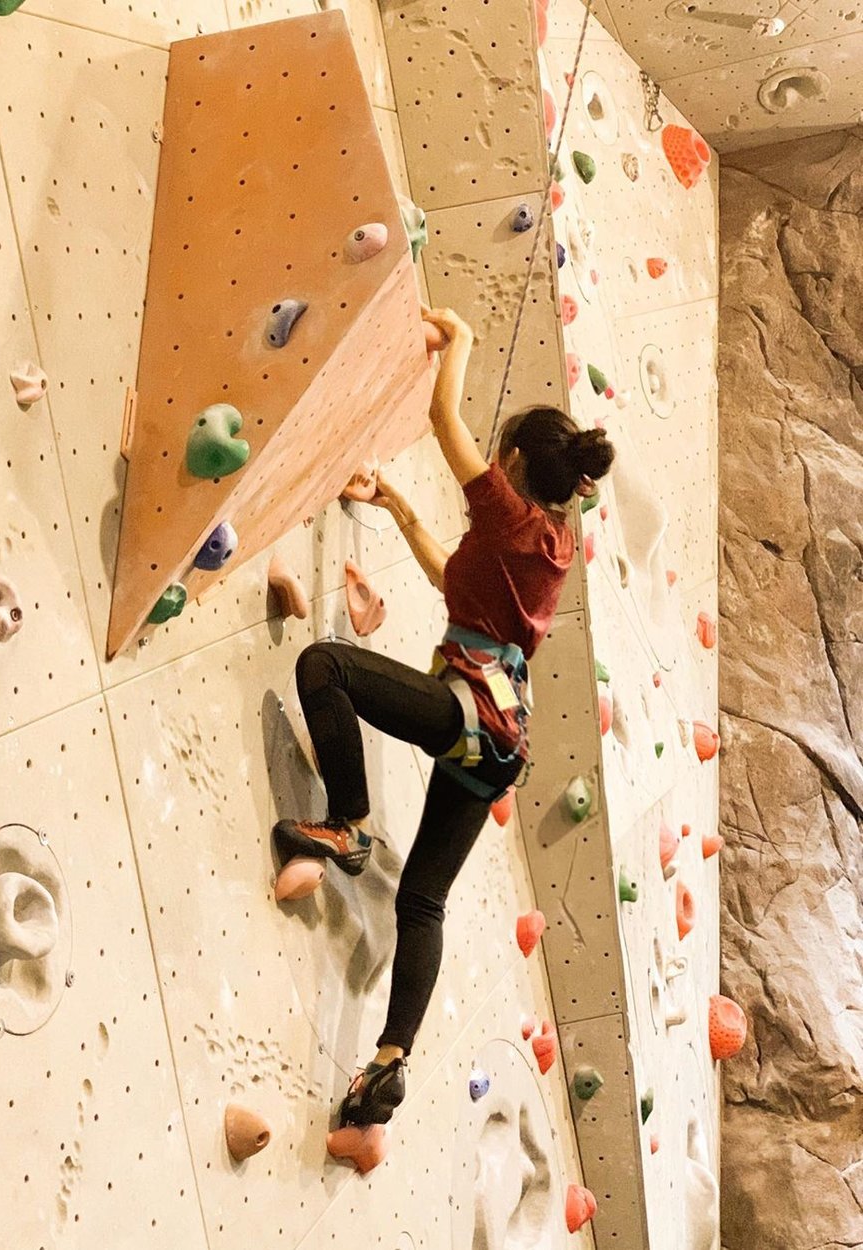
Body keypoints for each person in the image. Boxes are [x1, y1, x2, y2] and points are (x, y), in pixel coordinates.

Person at [272, 306, 616, 1130]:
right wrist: (394, 506)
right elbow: (453, 584)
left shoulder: (509, 512)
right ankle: (388, 1065)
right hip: (499, 740)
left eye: (498, 455)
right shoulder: (553, 541)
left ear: (511, 464)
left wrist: (460, 342)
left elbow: (440, 416)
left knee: (324, 666)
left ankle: (350, 825)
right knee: (421, 901)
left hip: (469, 716)